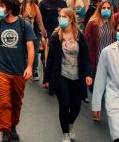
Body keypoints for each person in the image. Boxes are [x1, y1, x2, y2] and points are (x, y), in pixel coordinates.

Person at [0, 0, 36, 142]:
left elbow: (30, 47)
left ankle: (13, 125)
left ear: (10, 8)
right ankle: (5, 130)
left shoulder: (24, 25)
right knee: (4, 101)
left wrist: (29, 67)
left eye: (1, 6)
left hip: (19, 70)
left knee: (16, 101)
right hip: (1, 69)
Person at [43, 8, 93, 142]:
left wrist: (88, 74)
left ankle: (70, 124)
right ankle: (65, 133)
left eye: (64, 16)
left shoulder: (79, 36)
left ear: (71, 19)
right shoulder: (55, 36)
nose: (60, 18)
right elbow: (51, 59)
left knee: (76, 106)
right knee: (64, 104)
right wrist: (47, 79)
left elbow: (86, 58)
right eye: (59, 16)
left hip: (77, 76)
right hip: (61, 76)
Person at [85, 0, 116, 81]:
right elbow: (87, 43)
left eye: (108, 8)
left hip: (111, 59)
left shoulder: (114, 23)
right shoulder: (92, 24)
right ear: (99, 9)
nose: (106, 9)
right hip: (97, 60)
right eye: (104, 8)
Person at [20, 0, 47, 80]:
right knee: (22, 50)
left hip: (33, 32)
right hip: (21, 32)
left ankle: (34, 70)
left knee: (35, 52)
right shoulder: (20, 5)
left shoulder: (35, 7)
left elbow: (39, 21)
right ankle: (22, 68)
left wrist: (43, 33)